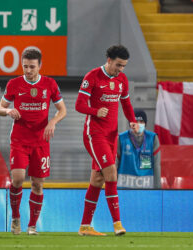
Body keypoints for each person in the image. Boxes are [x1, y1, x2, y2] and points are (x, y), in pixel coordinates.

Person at [0, 48, 67, 235]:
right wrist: (8, 111)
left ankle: (32, 225)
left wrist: (52, 121)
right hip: (19, 141)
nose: (28, 70)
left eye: (32, 67)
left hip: (41, 142)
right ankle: (15, 217)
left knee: (37, 184)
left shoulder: (50, 84)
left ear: (40, 65)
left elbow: (62, 110)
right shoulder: (14, 84)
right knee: (18, 179)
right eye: (25, 66)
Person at [75, 45, 139, 236]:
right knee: (111, 174)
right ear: (109, 60)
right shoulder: (92, 76)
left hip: (112, 135)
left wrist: (133, 121)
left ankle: (85, 226)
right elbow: (79, 105)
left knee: (98, 178)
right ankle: (117, 224)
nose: (121, 69)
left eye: (124, 66)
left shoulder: (122, 79)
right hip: (94, 134)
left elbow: (126, 103)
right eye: (118, 65)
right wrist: (95, 111)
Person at [117, 109, 161, 189]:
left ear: (145, 124)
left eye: (141, 122)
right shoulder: (121, 138)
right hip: (123, 189)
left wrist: (158, 189)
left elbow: (156, 165)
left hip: (146, 189)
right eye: (135, 122)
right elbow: (115, 164)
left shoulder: (153, 138)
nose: (138, 124)